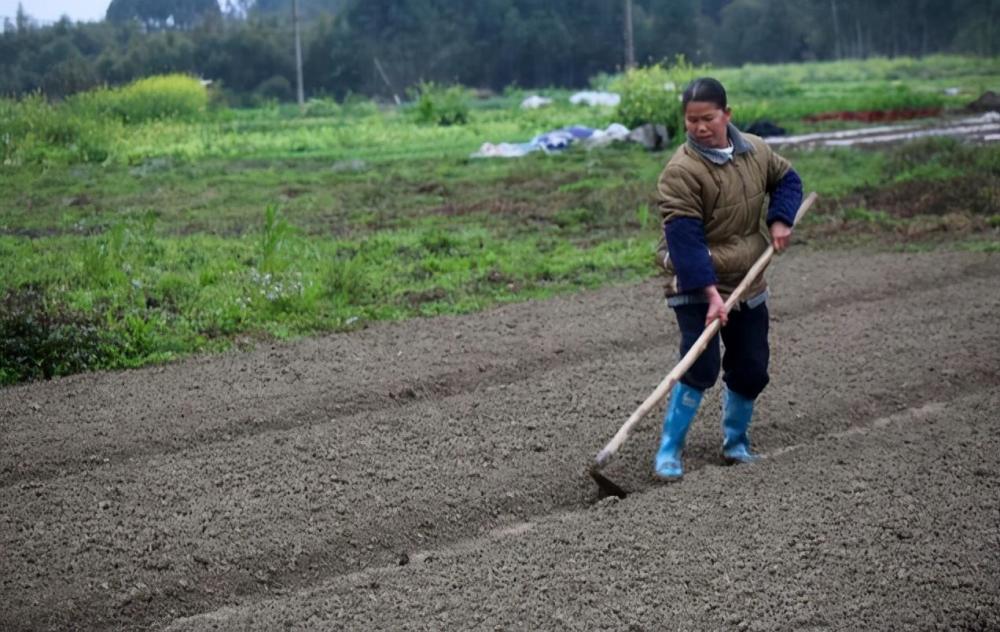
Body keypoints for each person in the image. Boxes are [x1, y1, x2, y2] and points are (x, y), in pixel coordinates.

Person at [653, 77, 803, 479]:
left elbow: (788, 180)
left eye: (708, 118)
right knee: (700, 367)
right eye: (691, 121)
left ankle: (736, 443)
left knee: (752, 367)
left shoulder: (755, 150)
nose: (700, 128)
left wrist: (780, 219)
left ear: (726, 115)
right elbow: (683, 242)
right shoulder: (680, 172)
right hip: (695, 280)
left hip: (748, 279)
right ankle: (669, 451)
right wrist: (710, 296)